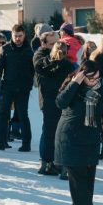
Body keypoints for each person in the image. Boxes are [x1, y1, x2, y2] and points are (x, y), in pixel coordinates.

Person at [55, 60, 103, 205]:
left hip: (90, 140)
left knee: (87, 186)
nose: (95, 82)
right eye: (91, 78)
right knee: (79, 185)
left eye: (97, 78)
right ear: (82, 76)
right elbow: (60, 102)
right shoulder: (74, 88)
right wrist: (74, 83)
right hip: (71, 140)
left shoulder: (100, 90)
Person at [35, 41, 76, 175]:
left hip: (47, 103)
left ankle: (46, 164)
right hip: (63, 103)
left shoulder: (42, 64)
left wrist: (49, 58)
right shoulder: (68, 66)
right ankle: (64, 167)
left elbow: (37, 67)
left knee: (48, 133)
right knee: (64, 134)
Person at [0, 24, 35, 152]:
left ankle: (26, 143)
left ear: (24, 36)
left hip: (23, 88)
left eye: (20, 36)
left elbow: (34, 70)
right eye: (15, 36)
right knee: (3, 114)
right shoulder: (5, 49)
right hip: (7, 87)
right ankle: (0, 142)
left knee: (23, 115)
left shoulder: (29, 50)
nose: (18, 38)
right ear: (11, 36)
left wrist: (29, 84)